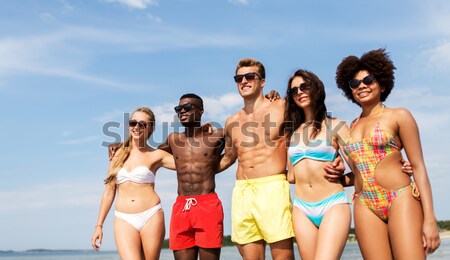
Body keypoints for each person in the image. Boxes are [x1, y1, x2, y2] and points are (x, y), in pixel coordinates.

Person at [218, 58, 345, 260]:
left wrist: (336, 156)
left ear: (263, 81)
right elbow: (229, 158)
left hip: (273, 187)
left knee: (283, 257)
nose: (244, 81)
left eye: (250, 76)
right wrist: (199, 167)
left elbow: (317, 124)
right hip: (242, 191)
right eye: (239, 78)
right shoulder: (231, 121)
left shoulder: (282, 107)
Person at [335, 48, 440, 259]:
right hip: (365, 204)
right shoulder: (348, 128)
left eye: (368, 80)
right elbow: (358, 171)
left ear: (382, 84)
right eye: (354, 84)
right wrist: (337, 175)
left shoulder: (399, 116)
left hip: (400, 197)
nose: (361, 86)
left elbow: (418, 166)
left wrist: (430, 219)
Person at [284, 69, 353, 260]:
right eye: (294, 90)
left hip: (333, 205)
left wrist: (341, 177)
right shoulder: (292, 132)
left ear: (316, 88)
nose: (299, 92)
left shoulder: (336, 125)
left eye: (304, 86)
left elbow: (360, 170)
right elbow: (291, 176)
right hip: (301, 208)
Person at [91, 107, 175, 260]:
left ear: (151, 128)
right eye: (133, 123)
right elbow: (109, 192)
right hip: (123, 218)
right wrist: (99, 225)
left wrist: (200, 133)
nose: (136, 127)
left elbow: (190, 164)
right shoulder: (116, 153)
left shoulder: (157, 155)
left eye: (142, 124)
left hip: (151, 215)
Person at [158, 93, 227, 260]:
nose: (182, 111)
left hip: (207, 205)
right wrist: (124, 145)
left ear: (201, 111)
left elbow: (241, 139)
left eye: (187, 107)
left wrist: (270, 97)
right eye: (178, 108)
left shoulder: (217, 136)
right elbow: (147, 154)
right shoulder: (173, 139)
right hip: (181, 207)